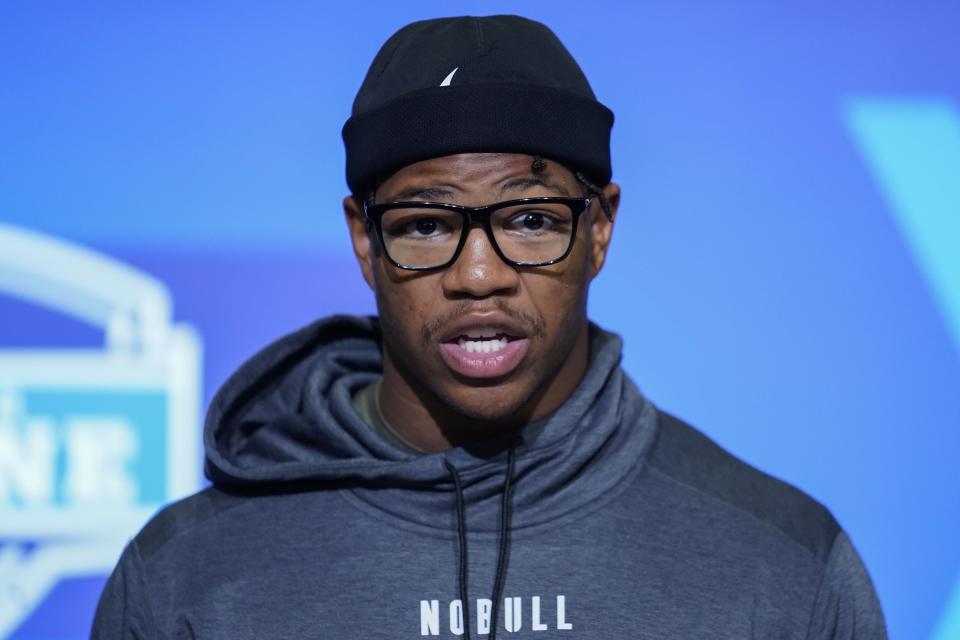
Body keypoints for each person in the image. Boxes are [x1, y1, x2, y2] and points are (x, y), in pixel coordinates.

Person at [92, 15, 887, 639]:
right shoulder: (186, 579)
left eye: (532, 218)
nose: (479, 274)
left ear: (601, 228)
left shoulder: (781, 563)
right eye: (427, 225)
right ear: (364, 240)